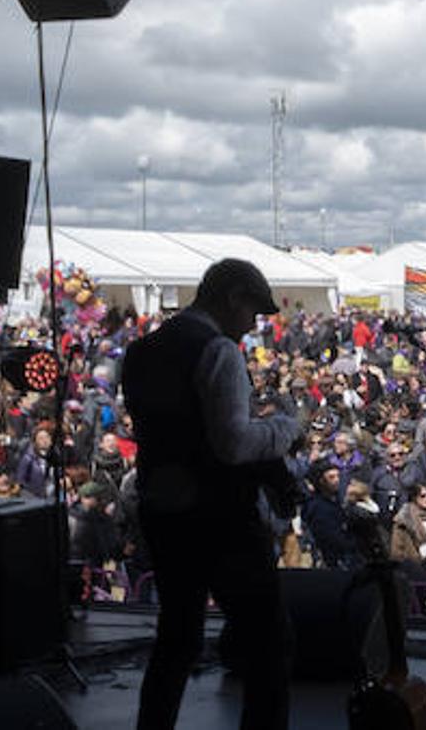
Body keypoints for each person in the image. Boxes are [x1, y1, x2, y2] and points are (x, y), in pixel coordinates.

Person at [121, 259, 300, 729]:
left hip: (162, 513)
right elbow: (233, 444)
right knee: (267, 644)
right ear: (234, 298)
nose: (251, 327)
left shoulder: (142, 351)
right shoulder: (217, 350)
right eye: (253, 313)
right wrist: (284, 428)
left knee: (176, 640)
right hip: (220, 520)